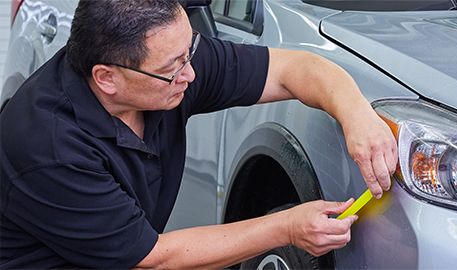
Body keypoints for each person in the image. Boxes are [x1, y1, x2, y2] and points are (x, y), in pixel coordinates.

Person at [0, 0, 397, 268]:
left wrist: (357, 115)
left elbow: (296, 69)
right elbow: (154, 259)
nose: (191, 74)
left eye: (189, 52)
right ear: (107, 78)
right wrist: (287, 228)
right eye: (174, 67)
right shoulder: (48, 146)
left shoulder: (167, 67)